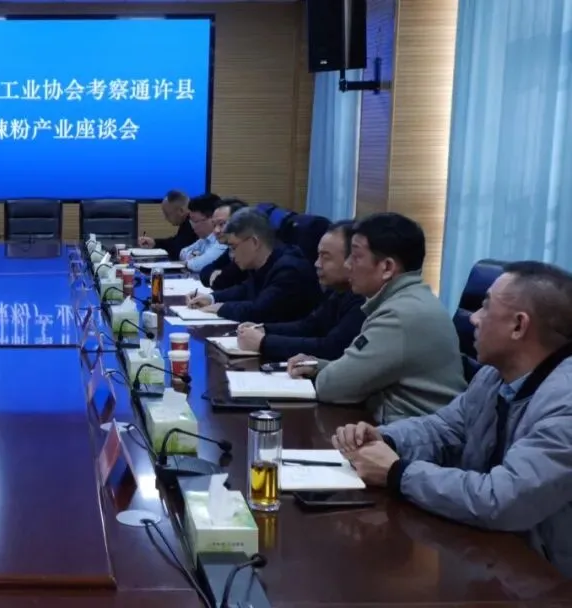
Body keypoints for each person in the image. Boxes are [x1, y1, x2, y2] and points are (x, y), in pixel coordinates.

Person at [332, 261, 572, 577]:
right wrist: (386, 439)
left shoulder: (565, 404)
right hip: (492, 558)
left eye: (485, 307)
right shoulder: (492, 376)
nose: (473, 318)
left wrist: (397, 473)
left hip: (549, 580)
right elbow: (444, 428)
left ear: (518, 326)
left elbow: (501, 499)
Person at [287, 212, 465, 422]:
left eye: (356, 256)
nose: (347, 265)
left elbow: (332, 387)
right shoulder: (406, 301)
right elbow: (360, 374)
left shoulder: (399, 315)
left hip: (417, 437)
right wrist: (319, 366)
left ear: (387, 267)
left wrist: (325, 374)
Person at [236, 220, 365, 360]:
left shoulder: (363, 299)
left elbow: (331, 348)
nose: (317, 264)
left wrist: (264, 342)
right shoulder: (337, 290)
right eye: (318, 256)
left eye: (326, 257)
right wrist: (263, 329)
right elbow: (309, 326)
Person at [186, 208, 321, 323]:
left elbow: (260, 311)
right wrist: (211, 298)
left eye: (234, 247)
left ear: (254, 242)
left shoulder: (289, 270)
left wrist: (221, 308)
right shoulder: (265, 262)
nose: (232, 255)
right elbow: (245, 289)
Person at [199, 197, 248, 290]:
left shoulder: (247, 250)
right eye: (214, 225)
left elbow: (222, 282)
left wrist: (220, 274)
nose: (216, 230)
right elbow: (205, 271)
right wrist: (214, 274)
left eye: (221, 224)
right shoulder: (230, 249)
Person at [136, 190, 196, 260]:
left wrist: (156, 243)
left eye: (167, 214)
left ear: (181, 211)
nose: (165, 218)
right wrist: (154, 243)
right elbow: (176, 242)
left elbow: (178, 249)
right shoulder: (186, 221)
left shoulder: (193, 222)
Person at [177, 193, 227, 273]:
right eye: (191, 222)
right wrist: (194, 257)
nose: (192, 227)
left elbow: (199, 265)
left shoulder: (223, 239)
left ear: (211, 219)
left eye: (195, 221)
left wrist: (190, 261)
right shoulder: (204, 239)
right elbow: (183, 252)